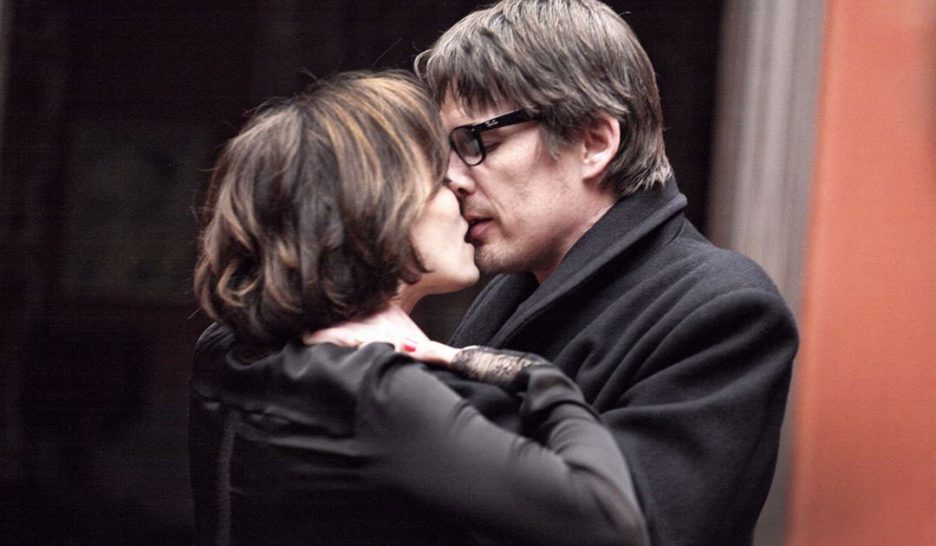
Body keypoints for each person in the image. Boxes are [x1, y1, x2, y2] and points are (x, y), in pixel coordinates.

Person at [188, 70, 650, 545]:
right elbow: (610, 522)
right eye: (441, 180)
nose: (462, 192)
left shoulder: (225, 349)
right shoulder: (375, 393)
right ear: (381, 209)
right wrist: (536, 377)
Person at [406, 1, 799, 544]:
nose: (452, 179)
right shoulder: (516, 285)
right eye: (446, 151)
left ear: (594, 142)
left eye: (480, 144)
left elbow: (631, 526)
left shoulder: (724, 307)